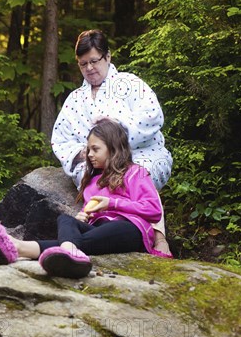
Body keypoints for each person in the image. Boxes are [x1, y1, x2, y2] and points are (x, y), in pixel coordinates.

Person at [0, 119, 165, 279]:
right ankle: (65, 254)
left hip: (131, 229)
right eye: (88, 149)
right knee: (66, 220)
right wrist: (85, 218)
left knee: (108, 230)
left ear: (113, 148)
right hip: (101, 232)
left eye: (95, 149)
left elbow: (153, 209)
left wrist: (113, 203)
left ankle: (19, 247)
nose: (89, 155)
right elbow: (95, 221)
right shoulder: (92, 183)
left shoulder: (135, 173)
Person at [51, 29, 173, 257]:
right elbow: (60, 139)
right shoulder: (75, 100)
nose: (89, 68)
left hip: (141, 154)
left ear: (108, 57)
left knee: (138, 173)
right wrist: (83, 153)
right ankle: (101, 230)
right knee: (93, 180)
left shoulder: (130, 84)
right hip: (97, 163)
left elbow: (153, 116)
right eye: (82, 64)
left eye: (94, 61)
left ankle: (159, 236)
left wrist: (119, 127)